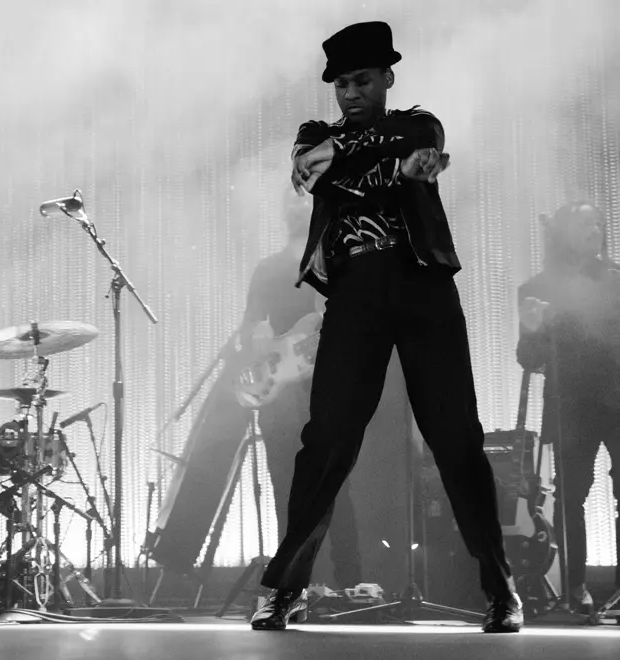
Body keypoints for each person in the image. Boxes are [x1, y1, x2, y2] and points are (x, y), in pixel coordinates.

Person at [249, 21, 522, 633]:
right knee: (326, 442)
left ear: (387, 78)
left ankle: (501, 589)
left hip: (423, 290)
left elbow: (405, 147)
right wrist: (395, 172)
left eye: (362, 81)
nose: (350, 93)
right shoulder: (314, 135)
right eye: (341, 84)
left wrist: (361, 163)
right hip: (354, 297)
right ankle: (287, 588)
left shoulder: (418, 125)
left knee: (456, 440)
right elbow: (312, 172)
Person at [237, 195, 362, 589]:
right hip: (282, 394)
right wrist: (257, 338)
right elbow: (248, 328)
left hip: (321, 390)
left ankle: (346, 584)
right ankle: (294, 584)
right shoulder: (270, 269)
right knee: (290, 487)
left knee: (331, 487)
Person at [517, 201, 620, 614]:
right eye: (584, 223)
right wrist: (532, 330)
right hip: (570, 405)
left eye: (599, 223)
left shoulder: (616, 279)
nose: (595, 230)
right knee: (570, 497)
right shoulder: (538, 288)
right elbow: (529, 359)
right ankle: (576, 589)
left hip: (617, 400)